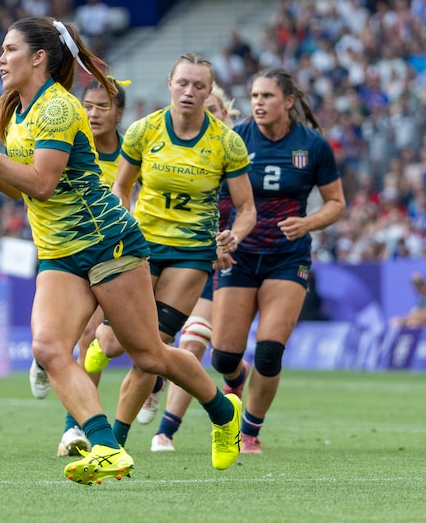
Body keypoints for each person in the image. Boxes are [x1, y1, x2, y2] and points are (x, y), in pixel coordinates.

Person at [0, 17, 243, 484]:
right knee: (50, 347)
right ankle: (105, 448)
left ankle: (224, 412)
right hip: (59, 251)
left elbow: (42, 182)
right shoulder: (16, 109)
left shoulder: (58, 109)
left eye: (9, 49)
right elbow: (21, 190)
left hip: (105, 243)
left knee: (150, 356)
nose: (0, 58)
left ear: (39, 57)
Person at [83, 54, 256, 450]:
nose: (190, 92)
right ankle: (222, 412)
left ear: (210, 91)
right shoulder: (144, 131)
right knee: (110, 344)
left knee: (151, 351)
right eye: (183, 84)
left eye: (199, 86)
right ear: (170, 83)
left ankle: (115, 444)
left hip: (192, 255)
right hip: (142, 247)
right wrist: (116, 226)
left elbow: (247, 209)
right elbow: (122, 188)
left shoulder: (226, 142)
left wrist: (234, 235)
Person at [211, 67, 345, 454]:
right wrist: (217, 241)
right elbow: (216, 198)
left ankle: (249, 432)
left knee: (270, 351)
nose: (258, 103)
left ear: (288, 101)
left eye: (267, 96)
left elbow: (337, 203)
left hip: (288, 258)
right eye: (254, 96)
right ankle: (236, 376)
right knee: (223, 356)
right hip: (241, 253)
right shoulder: (235, 139)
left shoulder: (313, 145)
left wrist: (307, 223)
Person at [28, 75, 134, 458]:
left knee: (115, 344)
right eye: (86, 106)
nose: (91, 114)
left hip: (119, 250)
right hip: (67, 251)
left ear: (119, 113)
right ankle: (74, 429)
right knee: (86, 335)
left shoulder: (133, 152)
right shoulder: (68, 143)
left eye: (102, 107)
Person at [150, 84, 243, 452]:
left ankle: (166, 431)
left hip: (224, 260)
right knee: (158, 342)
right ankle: (154, 381)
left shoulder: (233, 152)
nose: (210, 113)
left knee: (196, 343)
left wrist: (230, 239)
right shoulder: (175, 152)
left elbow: (250, 208)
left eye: (216, 108)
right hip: (180, 255)